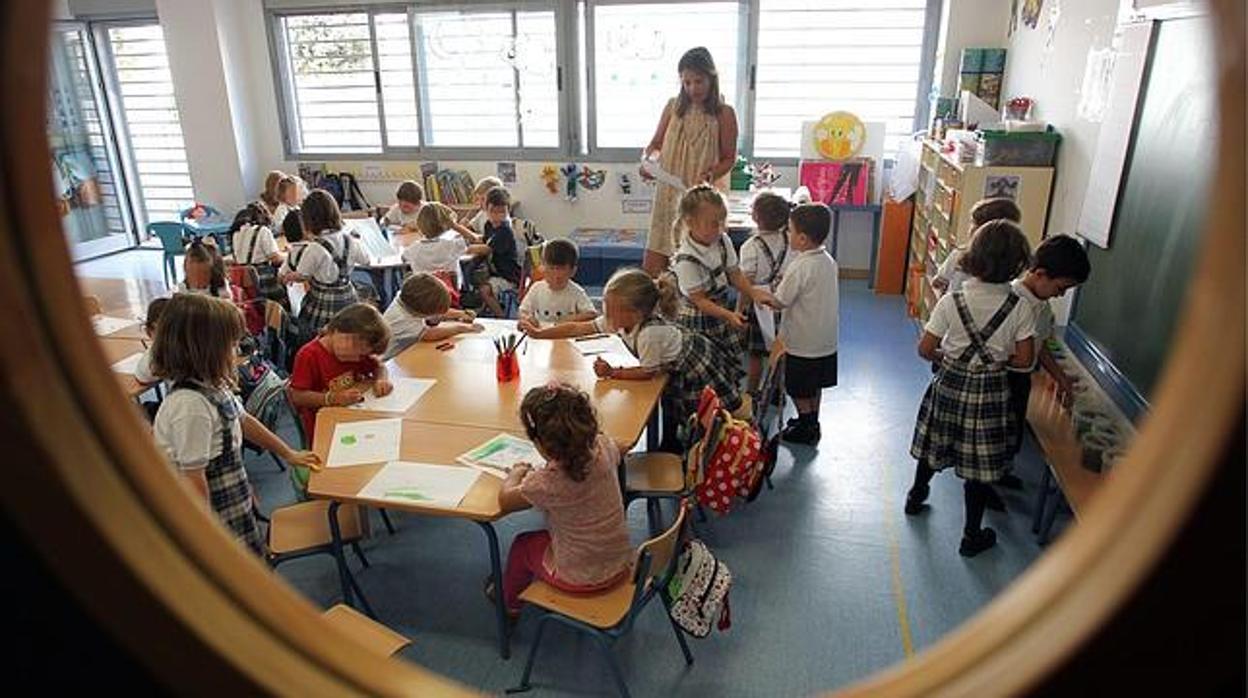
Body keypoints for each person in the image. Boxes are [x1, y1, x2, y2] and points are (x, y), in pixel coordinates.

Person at [152, 293, 320, 555]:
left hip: (231, 494)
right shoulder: (190, 407)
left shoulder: (211, 386)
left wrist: (288, 454)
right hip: (211, 515)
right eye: (230, 345)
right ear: (204, 350)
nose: (237, 352)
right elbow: (193, 479)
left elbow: (242, 420)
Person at [906, 220, 1035, 557]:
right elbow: (1024, 360)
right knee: (979, 466)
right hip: (991, 391)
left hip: (950, 382)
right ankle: (971, 534)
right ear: (1019, 264)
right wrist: (994, 363)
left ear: (973, 258)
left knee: (935, 443)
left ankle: (916, 496)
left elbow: (924, 349)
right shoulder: (1020, 306)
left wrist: (950, 358)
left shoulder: (953, 300)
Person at [525, 268, 743, 452]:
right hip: (676, 363)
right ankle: (672, 444)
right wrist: (539, 333)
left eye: (611, 309)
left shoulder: (649, 334)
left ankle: (698, 451)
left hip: (695, 368)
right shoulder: (621, 320)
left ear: (635, 313)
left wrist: (613, 372)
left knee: (697, 416)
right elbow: (577, 328)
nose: (606, 314)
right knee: (671, 410)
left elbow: (649, 372)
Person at [494, 383, 632, 620]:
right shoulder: (604, 446)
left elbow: (506, 500)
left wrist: (515, 473)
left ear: (540, 444)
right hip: (620, 563)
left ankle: (510, 606)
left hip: (579, 577)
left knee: (522, 545)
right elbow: (622, 447)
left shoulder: (548, 483)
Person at [640, 47, 738, 276]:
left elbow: (728, 158)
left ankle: (694, 309)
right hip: (668, 192)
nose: (693, 88)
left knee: (695, 265)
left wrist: (711, 174)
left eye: (699, 81)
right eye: (687, 82)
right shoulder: (673, 106)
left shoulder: (724, 113)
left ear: (712, 78)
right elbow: (655, 145)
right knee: (654, 266)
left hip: (700, 196)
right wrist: (649, 162)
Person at [670, 184, 774, 386]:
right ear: (690, 222)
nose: (720, 228)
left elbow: (735, 274)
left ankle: (725, 412)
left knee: (726, 370)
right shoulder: (686, 259)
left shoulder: (722, 240)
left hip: (720, 314)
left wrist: (753, 293)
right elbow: (700, 301)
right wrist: (729, 315)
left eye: (722, 222)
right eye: (712, 224)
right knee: (704, 375)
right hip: (698, 322)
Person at [1005, 234, 1091, 469]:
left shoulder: (1041, 307)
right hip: (1003, 379)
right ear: (1040, 274)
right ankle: (987, 482)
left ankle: (1002, 472)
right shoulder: (1010, 301)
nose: (1061, 295)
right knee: (996, 434)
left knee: (1012, 433)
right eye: (1061, 288)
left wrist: (1061, 378)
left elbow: (1040, 346)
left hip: (1022, 379)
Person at [761, 203, 840, 445]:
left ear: (803, 239)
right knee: (815, 385)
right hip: (825, 341)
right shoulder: (828, 260)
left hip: (801, 343)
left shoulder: (799, 265)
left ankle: (806, 426)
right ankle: (812, 420)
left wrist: (761, 296)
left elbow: (780, 301)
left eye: (790, 231)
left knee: (797, 387)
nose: (787, 234)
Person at [287, 303, 393, 442]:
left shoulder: (358, 354)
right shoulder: (309, 355)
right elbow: (297, 396)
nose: (355, 356)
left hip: (354, 417)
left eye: (361, 353)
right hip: (324, 427)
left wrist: (381, 379)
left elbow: (379, 367)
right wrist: (332, 398)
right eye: (352, 344)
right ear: (334, 329)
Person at [281, 190, 370, 345]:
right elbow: (366, 260)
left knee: (319, 338)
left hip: (322, 303)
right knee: (349, 334)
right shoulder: (350, 240)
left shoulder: (314, 248)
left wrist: (289, 276)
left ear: (308, 221)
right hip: (348, 298)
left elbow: (303, 274)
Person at [738, 191, 790, 394]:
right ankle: (776, 390)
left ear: (755, 217)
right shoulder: (789, 240)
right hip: (782, 299)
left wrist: (740, 309)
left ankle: (751, 392)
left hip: (758, 303)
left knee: (755, 354)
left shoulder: (750, 246)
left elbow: (746, 281)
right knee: (779, 348)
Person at [381, 272, 483, 360]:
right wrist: (461, 328)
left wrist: (461, 314)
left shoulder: (407, 298)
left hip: (405, 354)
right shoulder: (402, 320)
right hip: (388, 362)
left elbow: (436, 312)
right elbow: (430, 334)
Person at [401, 201, 487, 304]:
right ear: (445, 226)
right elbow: (474, 238)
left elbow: (403, 258)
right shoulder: (452, 245)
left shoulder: (413, 249)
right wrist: (454, 225)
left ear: (419, 224)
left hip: (423, 299)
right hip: (450, 296)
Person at [933, 198, 1023, 295]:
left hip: (955, 306)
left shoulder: (960, 254)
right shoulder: (1012, 261)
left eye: (973, 222)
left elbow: (938, 282)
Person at [517, 239, 597, 332]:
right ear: (543, 268)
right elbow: (523, 311)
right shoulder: (537, 288)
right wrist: (527, 318)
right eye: (551, 269)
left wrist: (567, 321)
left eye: (561, 269)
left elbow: (591, 314)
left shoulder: (576, 292)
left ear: (572, 271)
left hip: (564, 335)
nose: (555, 275)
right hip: (539, 336)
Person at [471, 187, 522, 318]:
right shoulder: (489, 225)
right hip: (495, 272)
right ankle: (483, 309)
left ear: (508, 211)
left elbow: (487, 249)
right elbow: (484, 240)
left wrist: (467, 249)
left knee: (484, 289)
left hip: (509, 276)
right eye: (493, 211)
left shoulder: (505, 230)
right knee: (473, 278)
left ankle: (501, 317)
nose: (497, 216)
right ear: (486, 209)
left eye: (502, 212)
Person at [230, 201, 286, 303]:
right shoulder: (263, 231)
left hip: (243, 281)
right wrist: (287, 255)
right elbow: (276, 259)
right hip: (262, 281)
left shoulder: (236, 233)